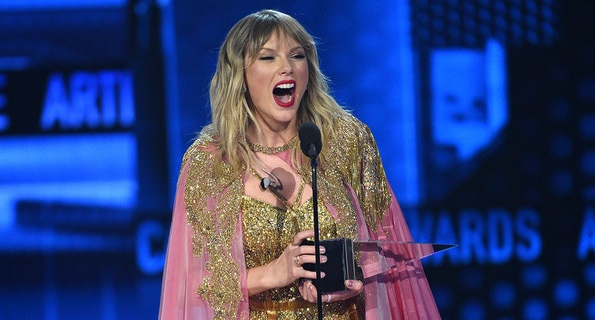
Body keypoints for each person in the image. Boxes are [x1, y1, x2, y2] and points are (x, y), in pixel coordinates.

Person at [158, 9, 441, 320]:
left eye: (297, 56)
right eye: (268, 58)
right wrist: (273, 273)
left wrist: (353, 281)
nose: (287, 68)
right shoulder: (209, 160)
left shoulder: (347, 140)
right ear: (239, 74)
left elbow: (389, 251)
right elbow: (194, 285)